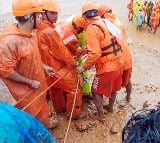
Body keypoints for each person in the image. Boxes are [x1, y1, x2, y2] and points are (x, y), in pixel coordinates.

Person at [0, 0, 56, 128]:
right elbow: (5, 71)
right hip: (25, 94)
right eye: (39, 15)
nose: (41, 17)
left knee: (42, 113)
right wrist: (29, 82)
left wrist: (44, 66)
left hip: (38, 88)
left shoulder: (31, 34)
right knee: (30, 122)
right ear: (31, 18)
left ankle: (44, 128)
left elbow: (33, 57)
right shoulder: (9, 42)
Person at [76, 1, 124, 118]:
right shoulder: (106, 22)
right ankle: (111, 107)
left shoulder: (92, 28)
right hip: (119, 61)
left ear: (84, 16)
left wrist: (83, 67)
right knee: (114, 87)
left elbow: (96, 54)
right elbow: (108, 41)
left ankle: (101, 115)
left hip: (107, 66)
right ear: (97, 13)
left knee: (95, 91)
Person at [37, 0, 83, 119]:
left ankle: (59, 109)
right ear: (43, 13)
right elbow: (62, 52)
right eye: (53, 13)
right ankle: (73, 115)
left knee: (54, 88)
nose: (56, 15)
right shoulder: (49, 31)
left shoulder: (37, 29)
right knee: (75, 88)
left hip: (45, 68)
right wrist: (74, 63)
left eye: (56, 12)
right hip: (56, 67)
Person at [98, 4, 132, 102]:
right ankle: (128, 97)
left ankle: (110, 106)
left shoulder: (106, 24)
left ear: (102, 15)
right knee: (128, 80)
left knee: (114, 84)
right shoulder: (117, 20)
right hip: (127, 56)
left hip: (119, 57)